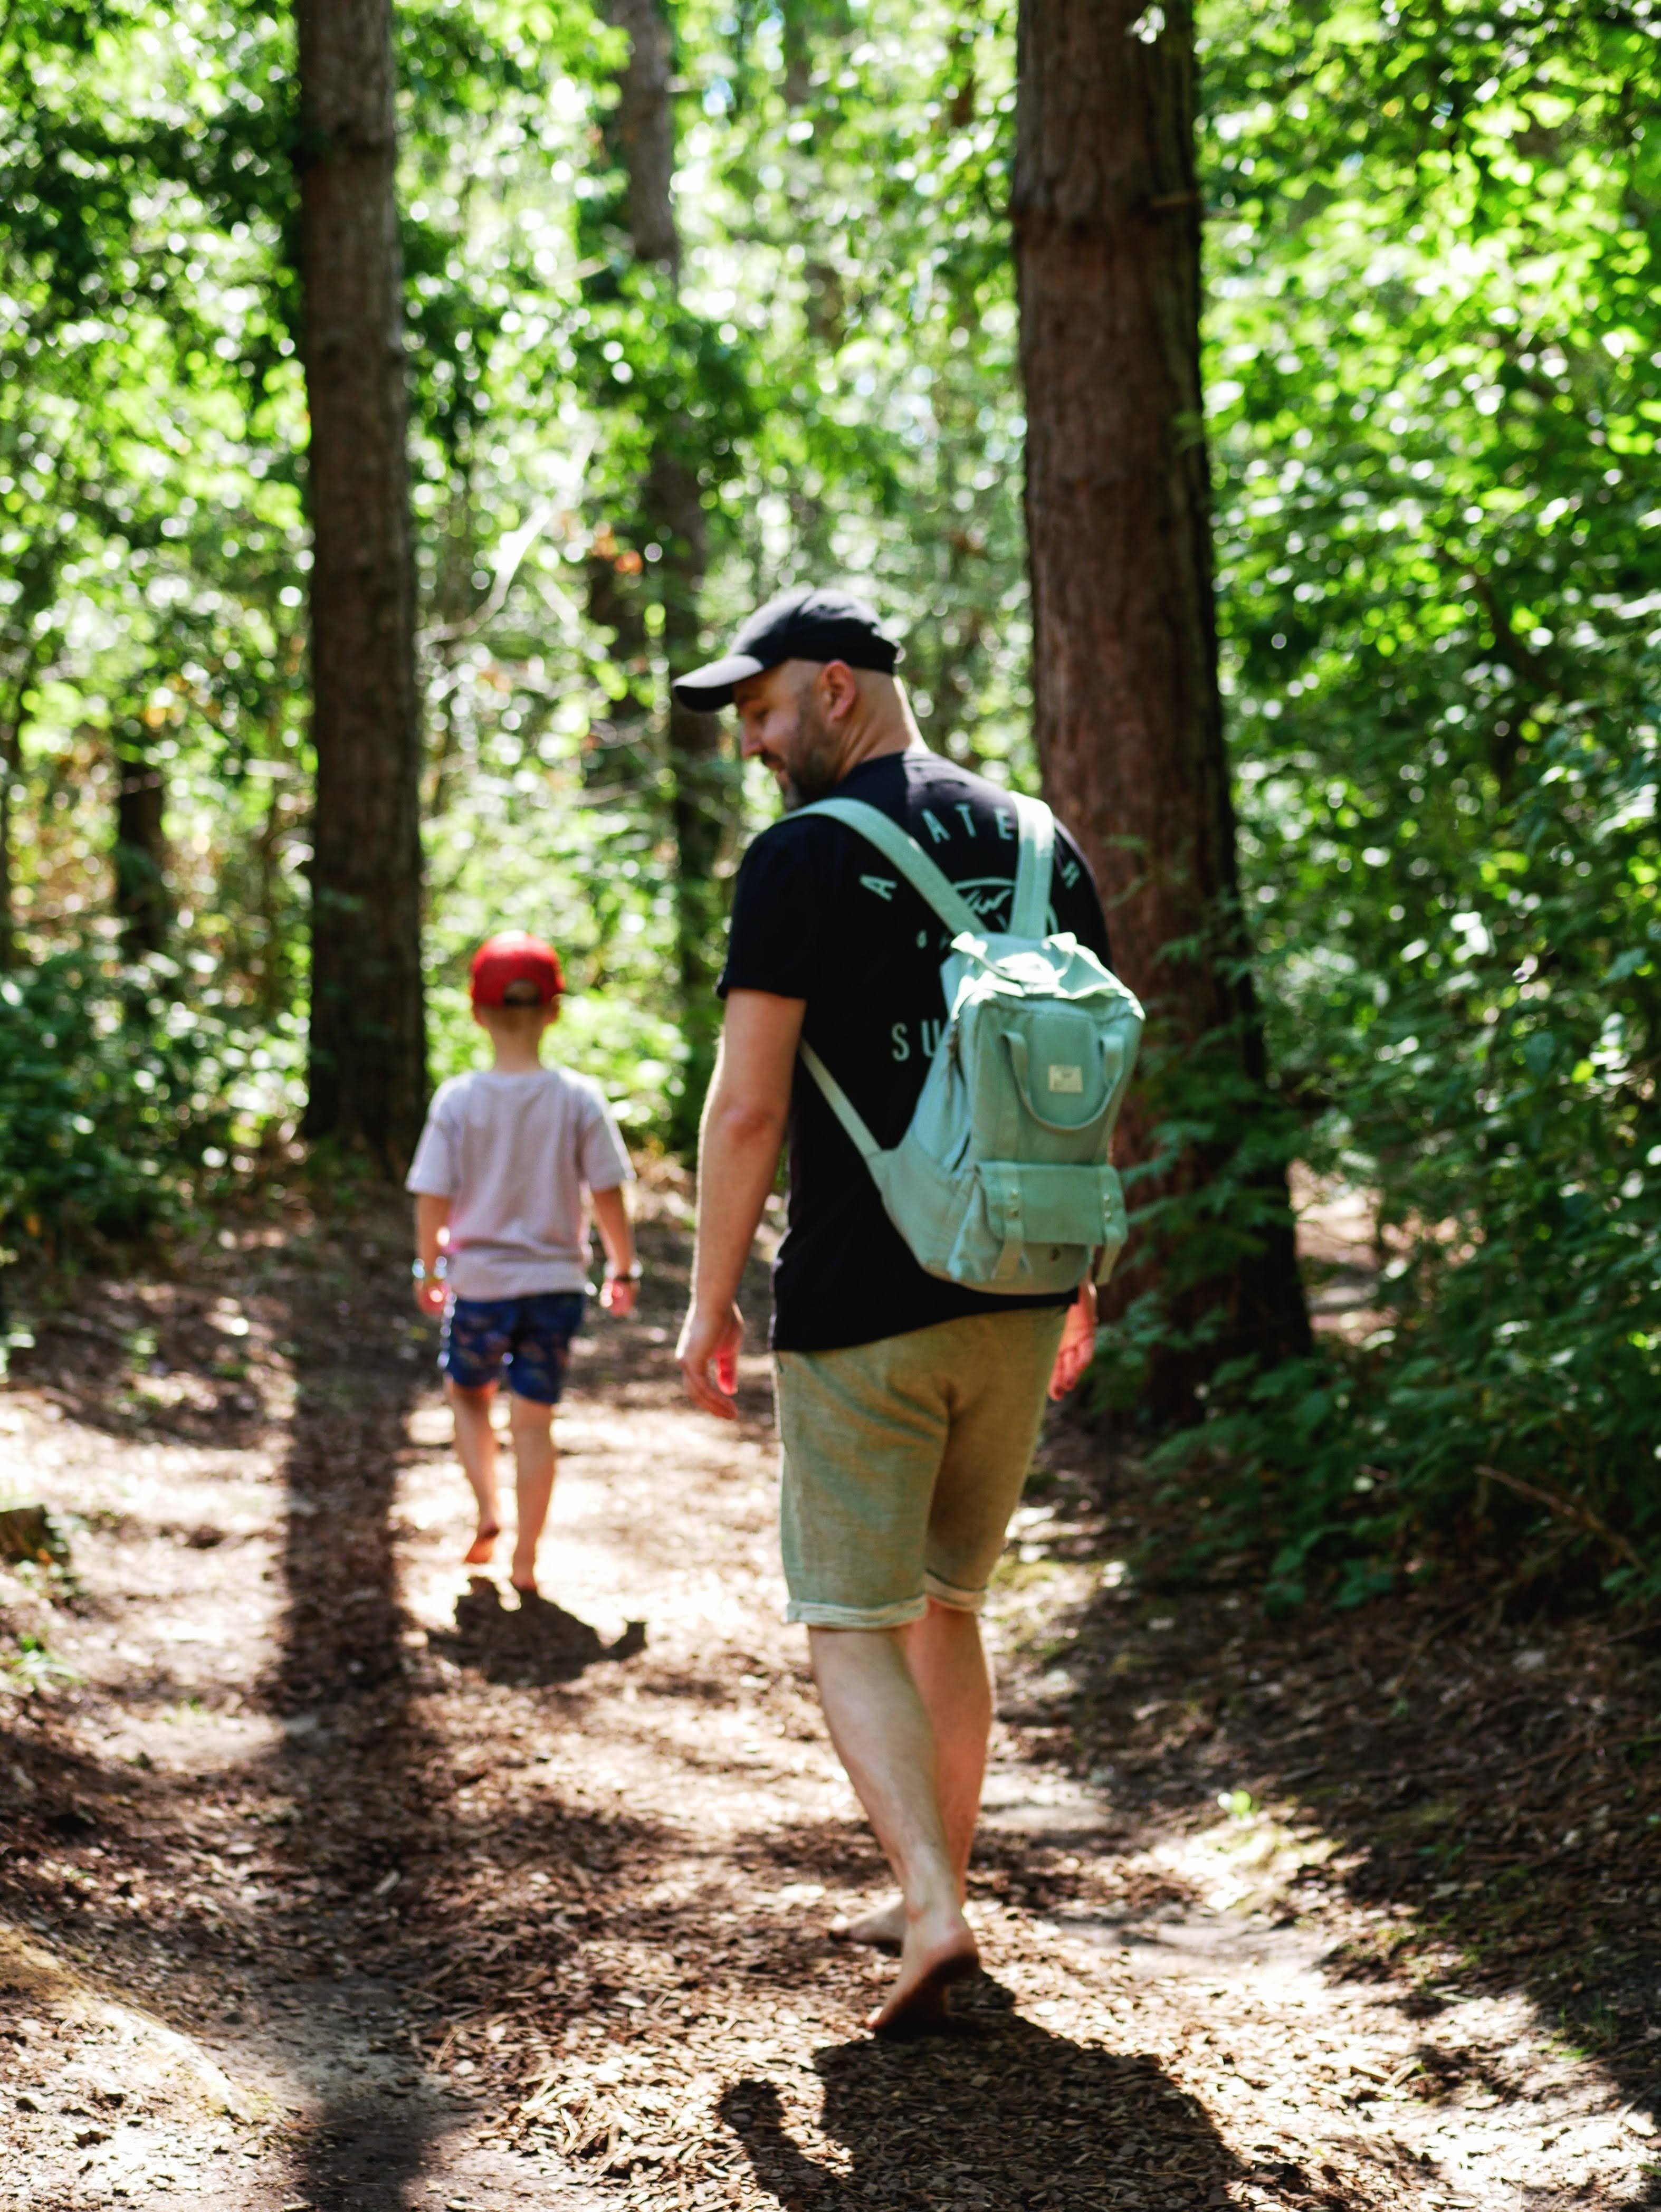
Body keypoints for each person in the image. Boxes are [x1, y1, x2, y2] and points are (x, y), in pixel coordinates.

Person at [671, 587, 1111, 2034]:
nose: (751, 742)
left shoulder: (800, 859)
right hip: (1018, 1282)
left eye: (760, 709)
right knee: (948, 1601)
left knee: (849, 1614)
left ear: (838, 689)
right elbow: (1075, 1090)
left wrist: (707, 1298)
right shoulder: (1045, 844)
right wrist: (1080, 1281)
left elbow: (745, 1112)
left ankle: (930, 1901)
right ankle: (940, 1884)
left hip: (867, 1296)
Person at [406, 930, 639, 1595]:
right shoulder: (577, 1097)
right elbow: (607, 1192)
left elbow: (432, 1196)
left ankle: (487, 1508)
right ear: (554, 1011)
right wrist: (622, 1267)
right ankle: (526, 1561)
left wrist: (428, 1270)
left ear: (477, 1013)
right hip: (555, 1287)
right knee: (534, 1420)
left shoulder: (457, 1100)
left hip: (478, 1285)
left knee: (468, 1395)